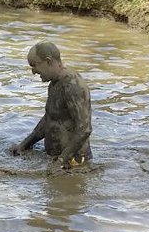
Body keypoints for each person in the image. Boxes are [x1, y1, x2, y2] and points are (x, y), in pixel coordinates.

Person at [10, 41, 92, 169]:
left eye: (34, 66)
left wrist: (61, 161)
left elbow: (84, 129)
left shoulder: (72, 85)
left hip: (74, 163)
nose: (33, 72)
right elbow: (49, 118)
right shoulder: (54, 84)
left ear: (48, 61)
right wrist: (24, 145)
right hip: (57, 161)